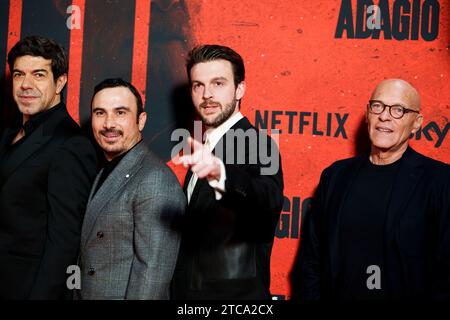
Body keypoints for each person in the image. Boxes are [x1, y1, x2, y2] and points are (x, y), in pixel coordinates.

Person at [296, 79, 450, 300]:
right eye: (378, 106)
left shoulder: (440, 182)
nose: (384, 116)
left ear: (416, 123)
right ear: (368, 113)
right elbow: (311, 258)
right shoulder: (335, 176)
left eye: (399, 110)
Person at [171, 44, 284, 299]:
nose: (207, 94)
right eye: (198, 85)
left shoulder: (259, 143)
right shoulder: (203, 146)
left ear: (240, 89)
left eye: (218, 83)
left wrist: (221, 173)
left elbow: (269, 199)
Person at [0, 35, 97, 299]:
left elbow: (65, 243)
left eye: (39, 75)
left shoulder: (71, 143)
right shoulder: (8, 132)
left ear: (60, 82)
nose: (26, 84)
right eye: (19, 74)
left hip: (27, 289)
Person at [77, 78, 185, 300]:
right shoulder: (105, 170)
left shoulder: (155, 180)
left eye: (120, 113)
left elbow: (152, 278)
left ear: (141, 120)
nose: (109, 123)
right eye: (100, 113)